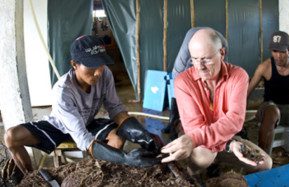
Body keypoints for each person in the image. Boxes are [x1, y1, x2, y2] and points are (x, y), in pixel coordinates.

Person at [2, 35, 161, 183]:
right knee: (11, 137)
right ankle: (32, 178)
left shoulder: (105, 75)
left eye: (101, 64)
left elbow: (115, 108)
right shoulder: (62, 91)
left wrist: (142, 134)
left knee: (118, 138)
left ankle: (97, 174)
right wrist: (125, 159)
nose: (98, 71)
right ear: (74, 64)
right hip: (60, 126)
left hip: (88, 121)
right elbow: (83, 139)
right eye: (92, 66)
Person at [161, 28, 272, 175]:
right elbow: (195, 129)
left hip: (222, 138)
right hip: (200, 141)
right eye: (194, 59)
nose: (200, 66)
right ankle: (192, 175)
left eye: (206, 59)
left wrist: (230, 144)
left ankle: (223, 169)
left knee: (265, 163)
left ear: (222, 53)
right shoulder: (182, 82)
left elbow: (235, 120)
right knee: (203, 156)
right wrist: (228, 144)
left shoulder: (238, 76)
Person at [247, 31, 289, 154]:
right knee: (272, 111)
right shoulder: (264, 67)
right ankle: (263, 157)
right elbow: (248, 91)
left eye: (282, 51)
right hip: (268, 107)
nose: (278, 56)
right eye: (275, 51)